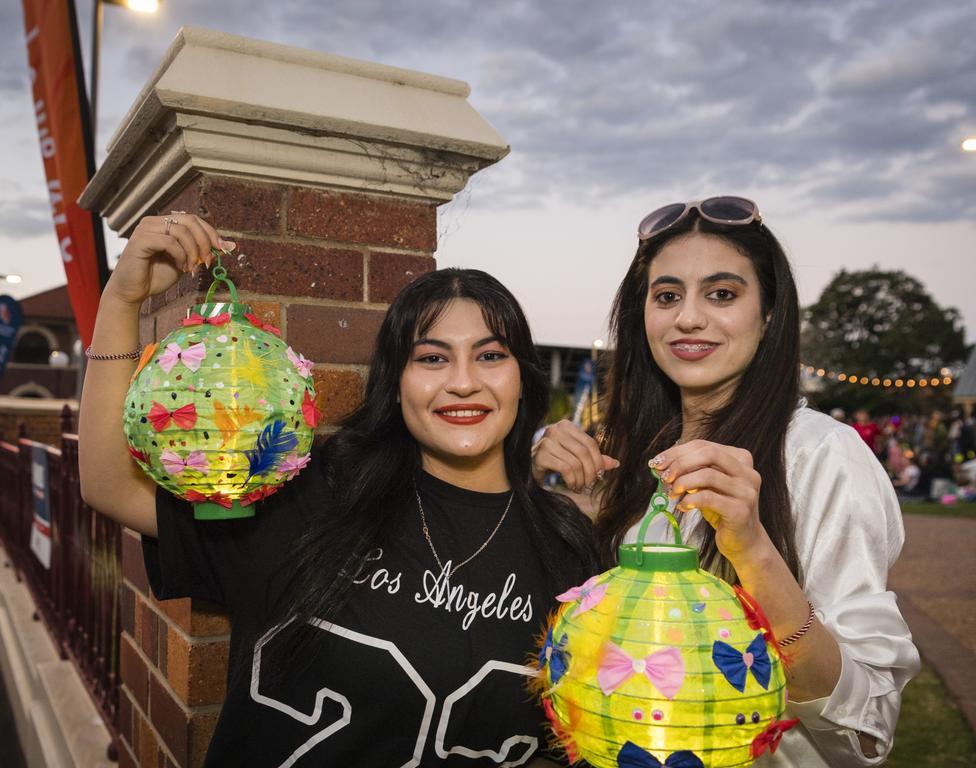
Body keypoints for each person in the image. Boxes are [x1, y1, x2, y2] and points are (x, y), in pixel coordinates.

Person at [78, 213, 599, 766]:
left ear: (523, 377)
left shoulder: (568, 549)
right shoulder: (310, 492)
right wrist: (120, 302)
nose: (463, 381)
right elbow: (108, 484)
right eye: (431, 358)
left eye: (490, 355)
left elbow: (567, 743)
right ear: (396, 385)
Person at [531, 197, 919, 767]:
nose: (688, 318)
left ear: (768, 316)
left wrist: (754, 549)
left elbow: (865, 730)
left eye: (722, 294)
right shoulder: (640, 458)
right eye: (667, 296)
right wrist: (530, 479)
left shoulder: (820, 455)